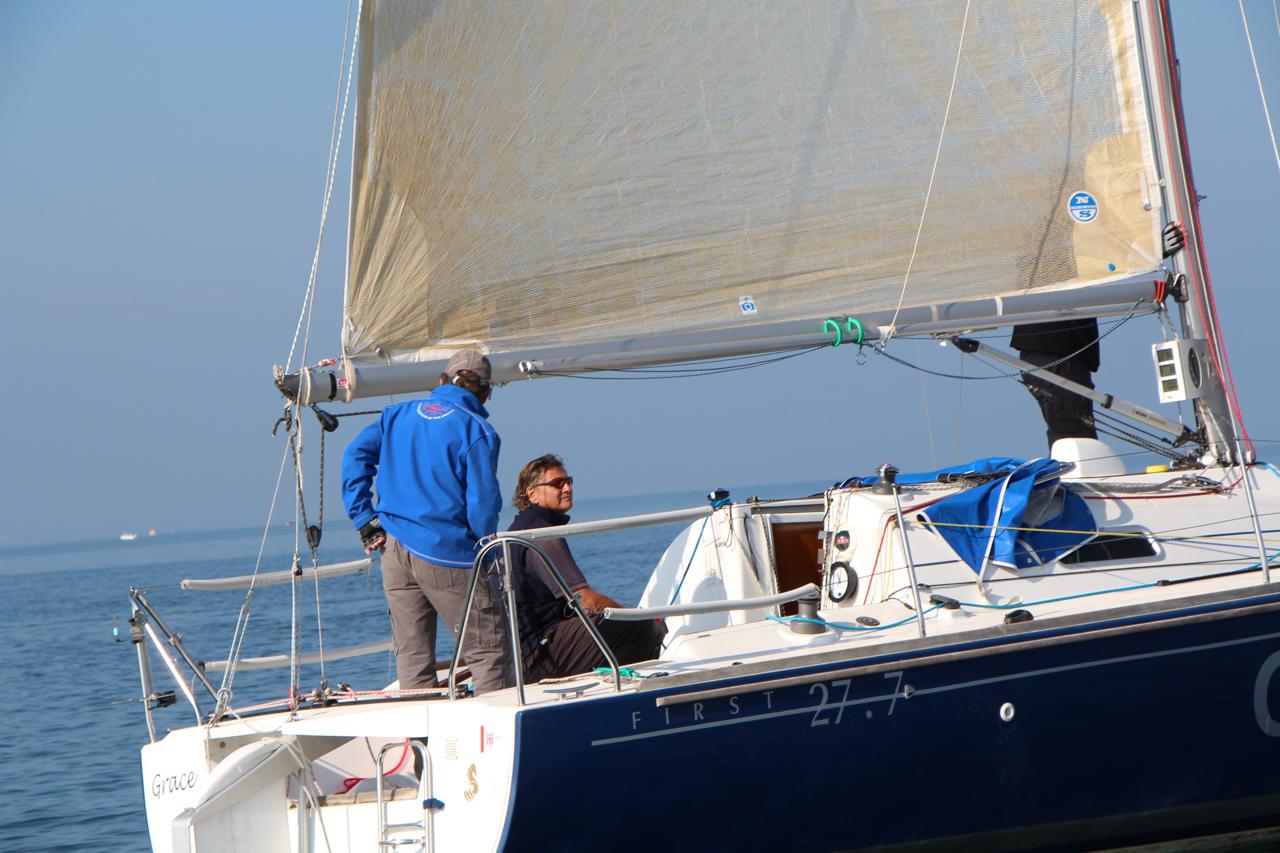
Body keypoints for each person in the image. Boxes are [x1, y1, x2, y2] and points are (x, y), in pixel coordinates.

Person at [341, 349, 513, 695]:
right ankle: (493, 723)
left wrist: (364, 518)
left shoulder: (396, 415)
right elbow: (482, 505)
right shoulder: (477, 430)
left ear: (441, 381)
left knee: (413, 656)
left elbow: (354, 456)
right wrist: (485, 551)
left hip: (394, 549)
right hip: (447, 552)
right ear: (485, 393)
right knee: (487, 651)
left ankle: (420, 727)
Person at [506, 454, 663, 681]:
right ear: (532, 494)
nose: (567, 488)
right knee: (643, 627)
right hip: (541, 653)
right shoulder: (541, 535)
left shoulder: (519, 527)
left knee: (620, 623)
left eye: (569, 481)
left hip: (526, 648)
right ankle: (624, 688)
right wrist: (632, 615)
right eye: (557, 483)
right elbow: (584, 600)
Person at [1010, 318, 1100, 450]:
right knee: (1073, 431)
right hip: (1058, 348)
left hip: (1042, 348)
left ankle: (1070, 461)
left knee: (1067, 426)